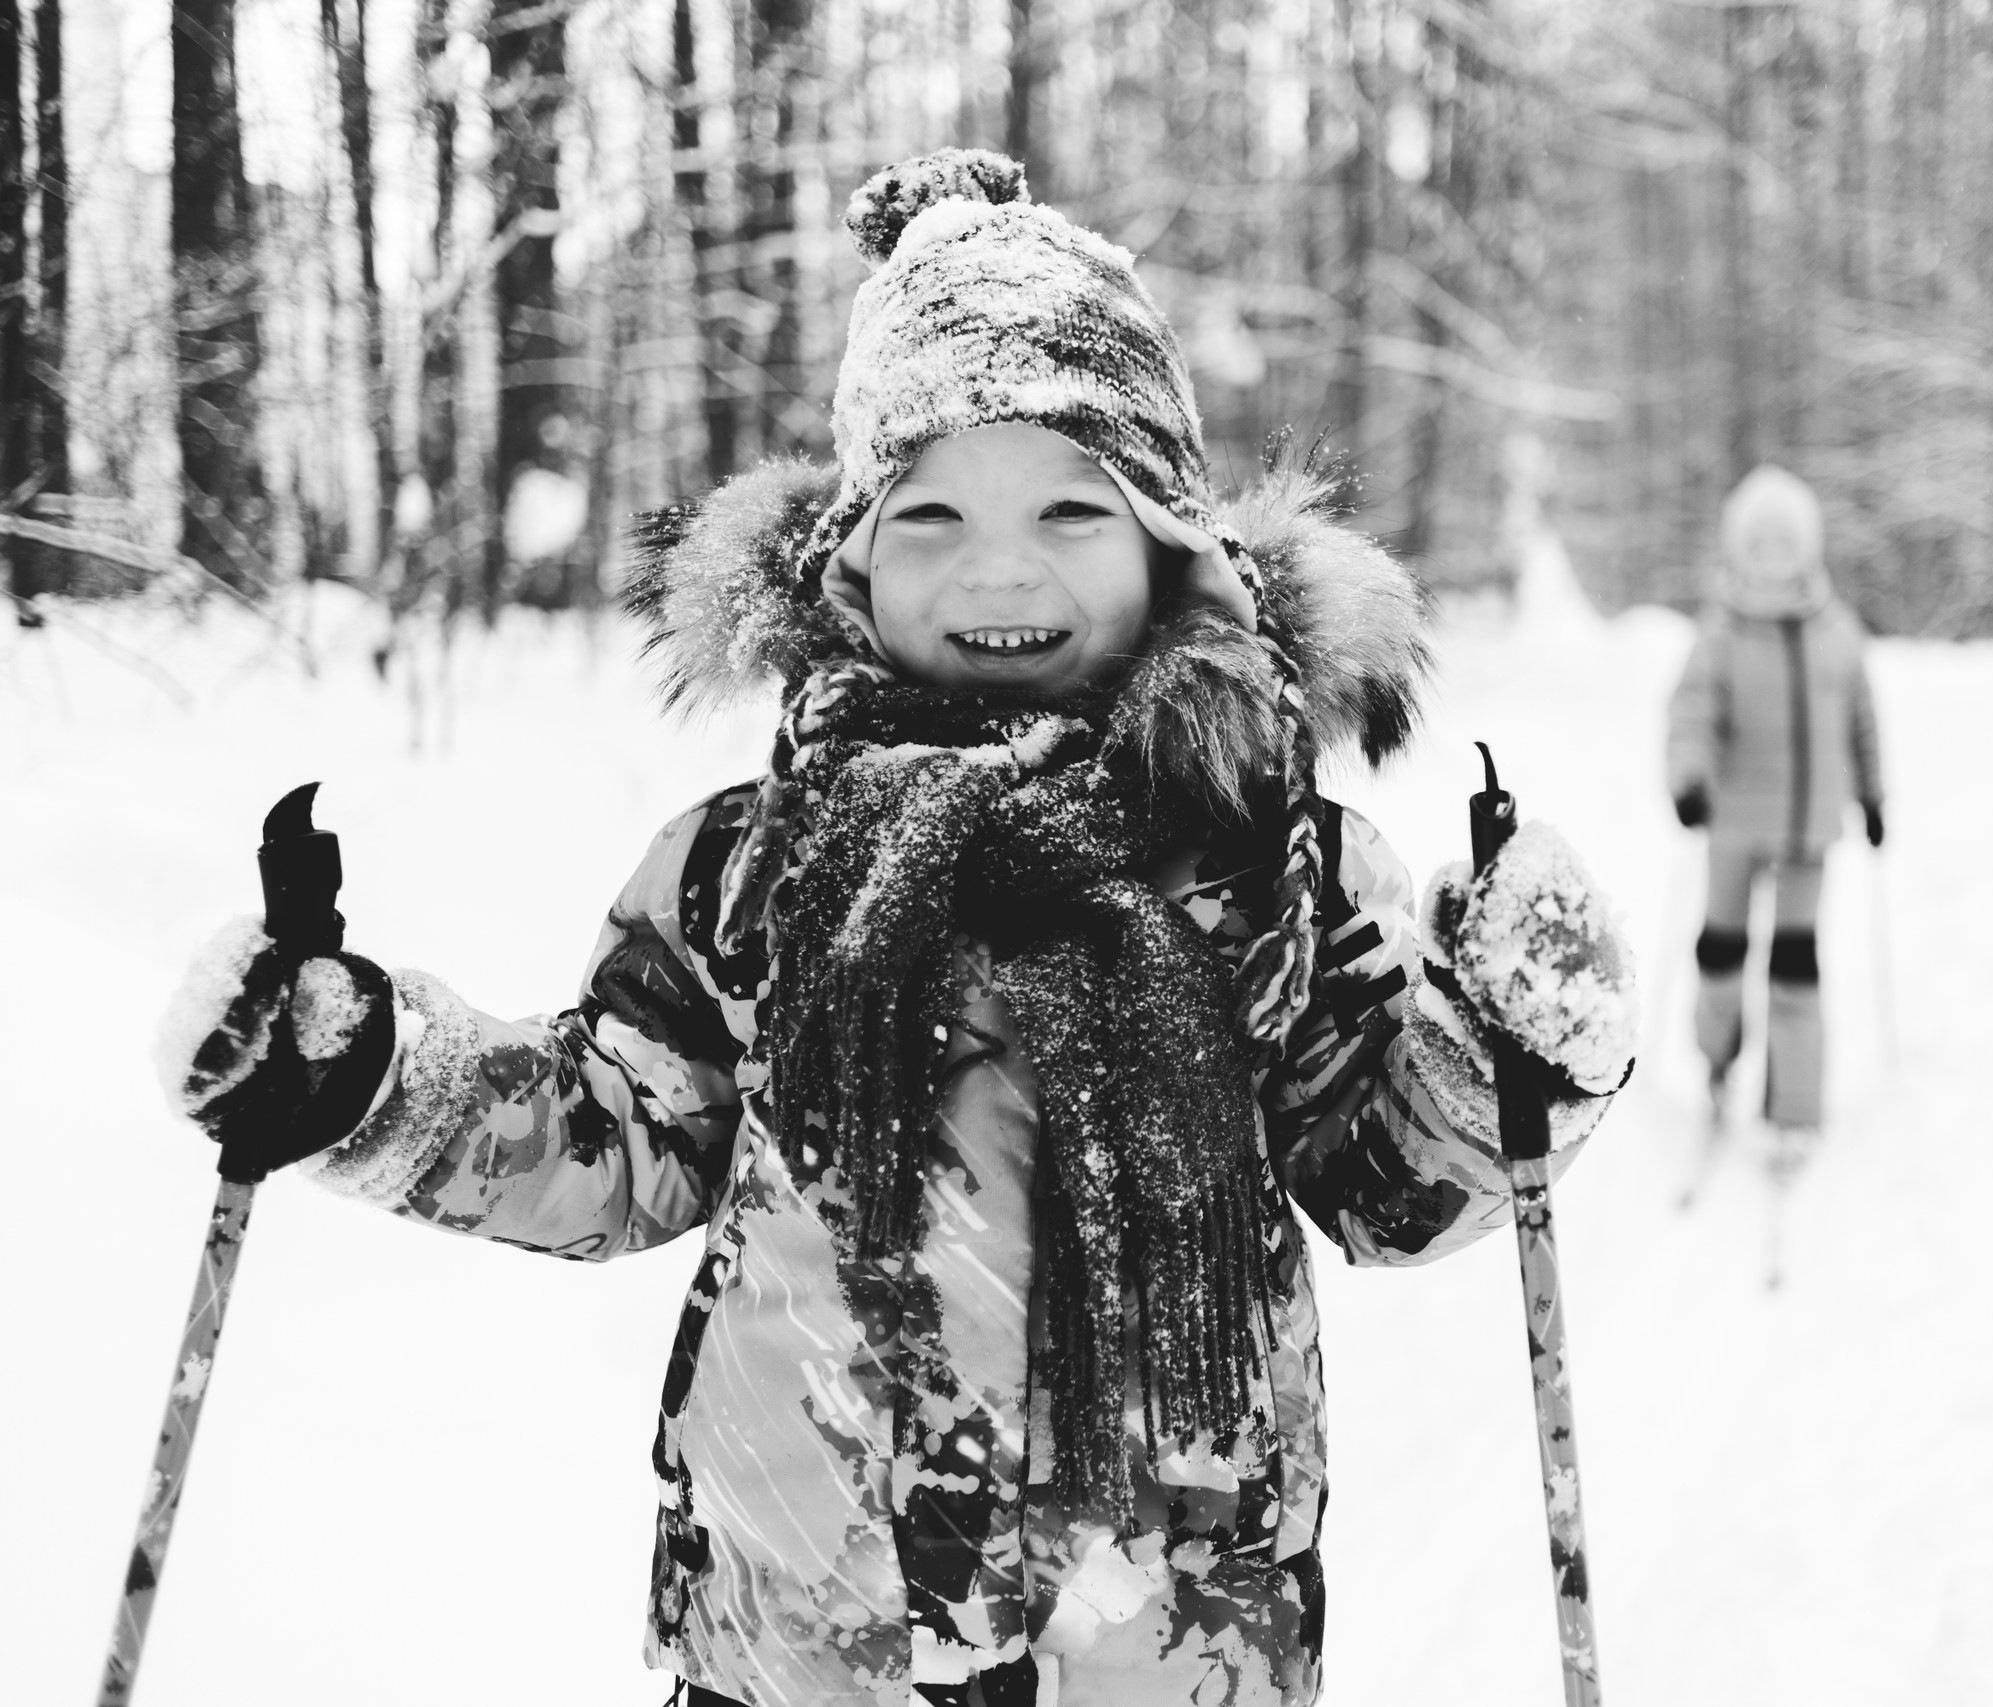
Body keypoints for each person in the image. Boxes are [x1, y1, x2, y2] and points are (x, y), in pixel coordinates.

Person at [155, 151, 1635, 1707]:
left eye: (1073, 505)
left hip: (1165, 1653)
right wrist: (372, 1078)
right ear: (851, 557)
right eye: (930, 512)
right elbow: (617, 1134)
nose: (999, 564)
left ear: (1172, 544)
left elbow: (1387, 1180)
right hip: (806, 1650)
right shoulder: (752, 864)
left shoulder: (1279, 868)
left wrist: (1499, 1063)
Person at [1664, 463, 1883, 1144]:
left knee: (1795, 969)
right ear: (1738, 550)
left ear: (1807, 549)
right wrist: (1689, 780)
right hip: (1732, 826)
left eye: (1783, 545)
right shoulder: (1722, 634)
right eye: (1757, 545)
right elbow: (1692, 716)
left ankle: (1794, 1109)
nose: (1770, 559)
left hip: (1810, 832)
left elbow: (1862, 722)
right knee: (1721, 956)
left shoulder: (1837, 632)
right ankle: (1717, 1060)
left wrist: (1873, 795)